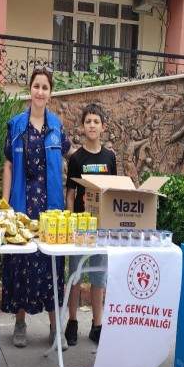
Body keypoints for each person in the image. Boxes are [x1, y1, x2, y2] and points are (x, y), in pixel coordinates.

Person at [1, 65, 71, 350]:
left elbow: (66, 159)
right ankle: (20, 322)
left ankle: (56, 327)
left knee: (51, 262)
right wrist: (4, 204)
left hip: (50, 205)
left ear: (50, 93)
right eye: (36, 86)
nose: (40, 91)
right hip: (22, 201)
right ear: (29, 89)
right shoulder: (16, 125)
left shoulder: (57, 126)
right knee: (22, 261)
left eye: (45, 87)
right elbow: (7, 163)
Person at [64, 103, 117, 346]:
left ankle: (98, 324)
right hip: (80, 226)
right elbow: (71, 193)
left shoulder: (110, 157)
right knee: (75, 275)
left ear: (103, 127)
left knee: (99, 276)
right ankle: (72, 321)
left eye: (96, 121)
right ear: (82, 127)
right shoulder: (76, 158)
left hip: (102, 228)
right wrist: (69, 220)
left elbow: (114, 191)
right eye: (88, 121)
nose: (92, 125)